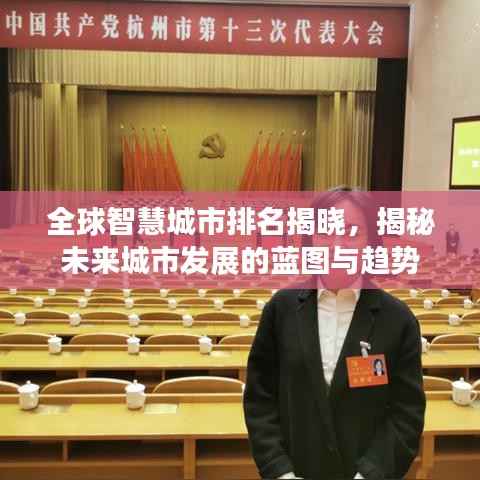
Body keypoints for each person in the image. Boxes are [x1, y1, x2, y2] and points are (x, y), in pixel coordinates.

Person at [243, 187, 426, 480]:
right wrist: (279, 470)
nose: (337, 245)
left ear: (371, 242)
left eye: (352, 232)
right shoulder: (281, 309)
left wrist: (371, 474)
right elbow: (259, 398)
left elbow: (406, 414)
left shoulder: (398, 320)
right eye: (325, 231)